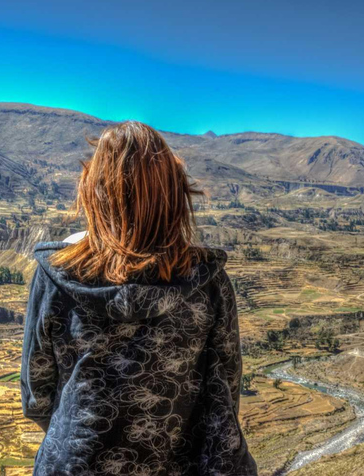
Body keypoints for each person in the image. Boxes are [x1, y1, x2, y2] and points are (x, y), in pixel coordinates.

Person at [21, 121, 258, 475]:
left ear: (95, 191)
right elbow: (226, 383)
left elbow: (37, 394)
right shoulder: (206, 280)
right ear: (174, 194)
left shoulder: (58, 275)